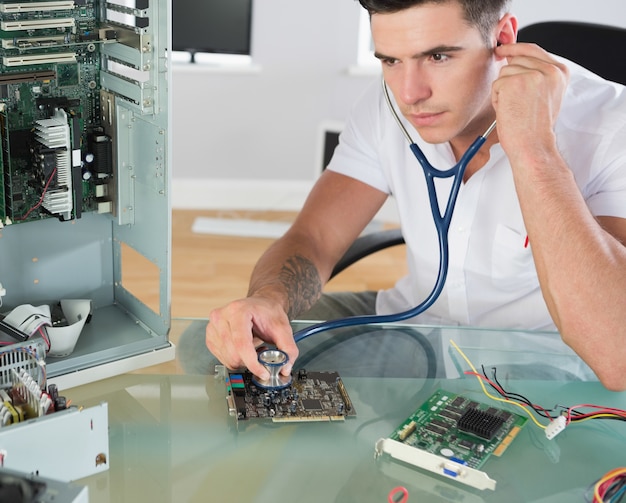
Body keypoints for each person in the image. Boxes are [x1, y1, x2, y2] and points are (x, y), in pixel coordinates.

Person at [206, 0, 626, 391]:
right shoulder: (386, 106)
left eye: (437, 56)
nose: (410, 94)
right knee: (224, 355)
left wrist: (535, 151)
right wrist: (267, 300)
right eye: (391, 60)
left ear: (504, 40)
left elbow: (616, 355)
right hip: (412, 328)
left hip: (540, 363)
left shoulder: (611, 125)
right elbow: (315, 237)